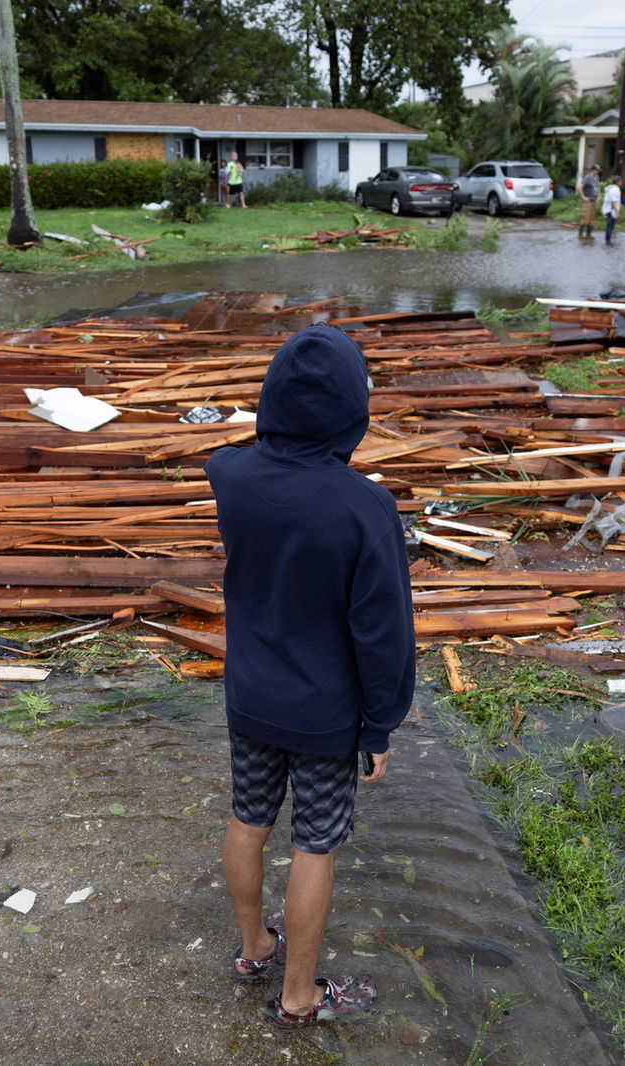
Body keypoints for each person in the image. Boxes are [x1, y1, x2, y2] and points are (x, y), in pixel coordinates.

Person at [205, 323, 415, 1029]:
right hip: (325, 713)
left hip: (251, 696)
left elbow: (223, 455)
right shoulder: (365, 509)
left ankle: (253, 947)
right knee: (314, 844)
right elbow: (382, 633)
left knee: (248, 818)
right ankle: (298, 997)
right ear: (353, 415)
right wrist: (380, 723)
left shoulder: (231, 477)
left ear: (272, 402)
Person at [577, 164, 600, 239]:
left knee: (592, 219)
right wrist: (583, 197)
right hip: (588, 201)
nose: (597, 172)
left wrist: (599, 195)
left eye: (598, 171)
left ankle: (588, 235)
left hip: (594, 201)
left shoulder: (597, 177)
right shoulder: (587, 178)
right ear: (593, 170)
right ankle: (580, 235)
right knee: (585, 218)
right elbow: (579, 187)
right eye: (596, 170)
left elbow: (597, 187)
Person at [602, 174, 623, 245]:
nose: (621, 182)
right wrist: (617, 212)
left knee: (610, 226)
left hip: (609, 209)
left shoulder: (611, 188)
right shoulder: (615, 190)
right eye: (620, 181)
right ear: (617, 182)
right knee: (610, 226)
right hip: (611, 210)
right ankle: (608, 241)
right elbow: (613, 202)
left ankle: (608, 240)